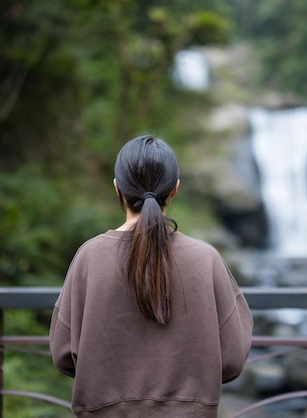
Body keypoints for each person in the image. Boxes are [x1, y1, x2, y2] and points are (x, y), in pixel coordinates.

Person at [49, 134, 253, 418]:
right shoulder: (206, 259)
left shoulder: (89, 257)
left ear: (117, 188)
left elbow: (62, 353)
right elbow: (232, 357)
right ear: (175, 190)